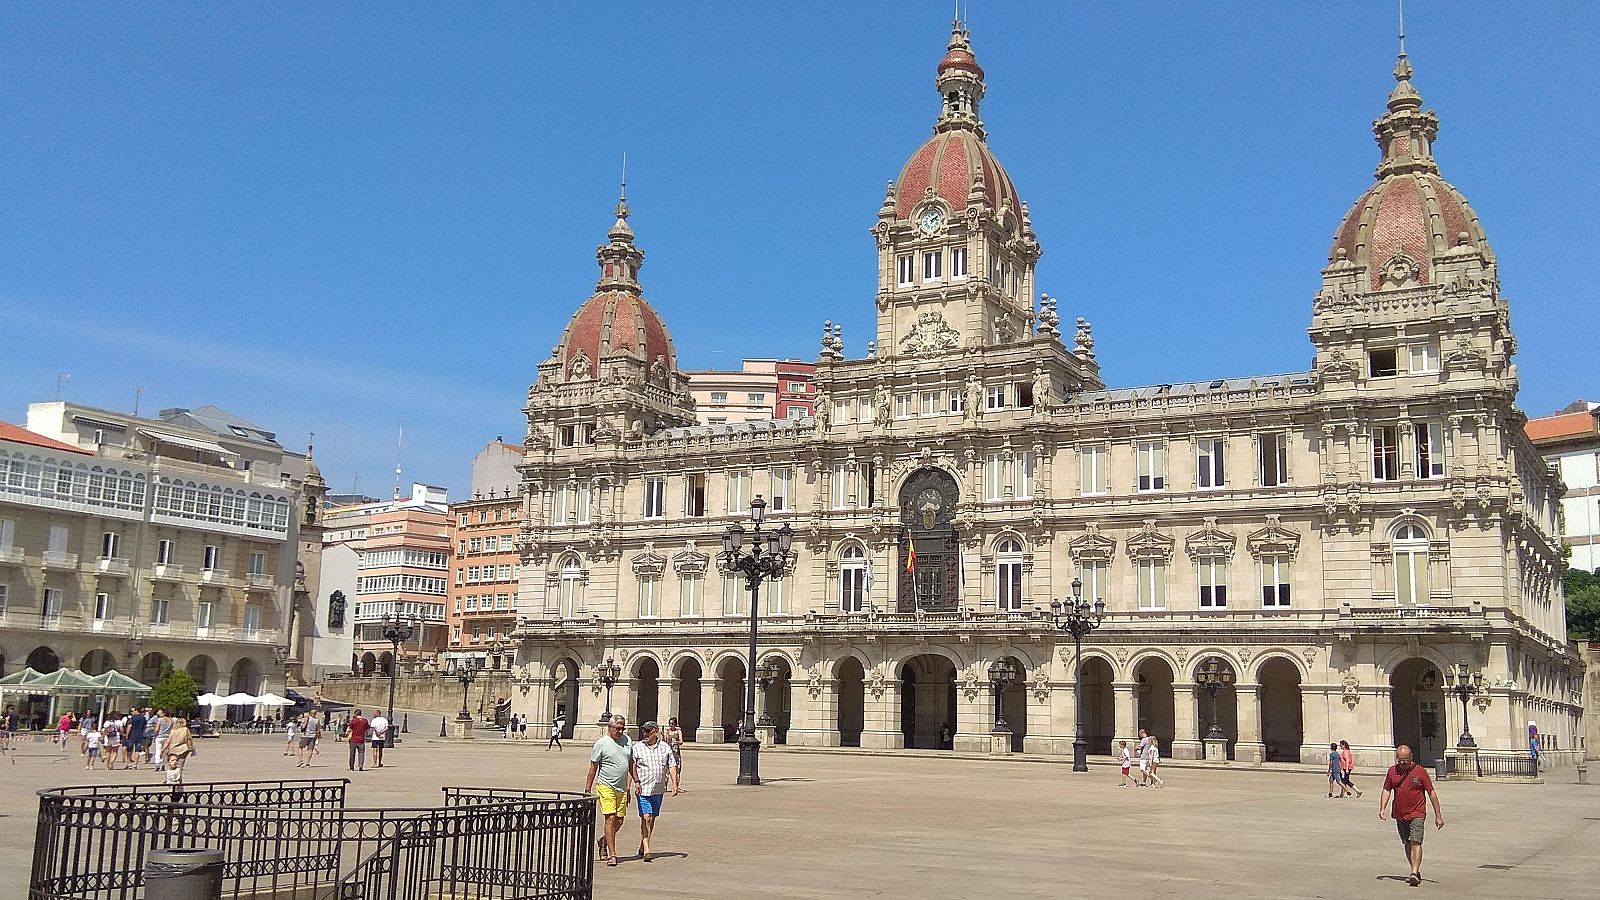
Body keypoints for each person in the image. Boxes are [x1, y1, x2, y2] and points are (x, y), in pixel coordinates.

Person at [1379, 744, 1445, 887]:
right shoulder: (1392, 771)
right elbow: (1386, 789)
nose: (1402, 763)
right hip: (1400, 814)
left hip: (1417, 812)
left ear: (1411, 757)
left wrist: (1438, 815)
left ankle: (1414, 872)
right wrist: (1382, 808)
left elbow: (1431, 793)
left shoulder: (1420, 772)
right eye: (1400, 760)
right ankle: (1414, 868)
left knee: (1416, 840)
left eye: (1405, 760)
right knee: (1407, 842)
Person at [583, 715, 635, 867]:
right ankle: (613, 854)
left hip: (622, 787)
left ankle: (603, 840)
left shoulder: (627, 741)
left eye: (622, 728)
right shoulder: (601, 744)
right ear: (610, 727)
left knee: (619, 820)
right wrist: (588, 788)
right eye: (617, 728)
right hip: (605, 786)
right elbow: (593, 767)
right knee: (610, 819)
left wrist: (635, 782)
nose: (620, 731)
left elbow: (631, 762)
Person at [630, 721, 680, 862]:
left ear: (655, 731)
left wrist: (674, 783)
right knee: (646, 817)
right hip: (643, 788)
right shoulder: (637, 747)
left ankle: (642, 844)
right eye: (643, 731)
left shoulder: (665, 747)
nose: (645, 734)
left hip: (658, 789)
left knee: (652, 818)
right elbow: (631, 767)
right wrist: (632, 785)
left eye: (648, 731)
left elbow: (672, 765)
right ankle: (647, 850)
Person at [664, 717, 685, 789]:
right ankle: (664, 786)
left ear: (675, 724)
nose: (670, 725)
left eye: (672, 723)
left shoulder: (678, 731)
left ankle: (676, 786)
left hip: (676, 751)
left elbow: (681, 741)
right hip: (668, 751)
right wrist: (665, 735)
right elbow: (665, 741)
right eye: (670, 723)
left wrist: (676, 742)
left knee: (677, 768)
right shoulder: (667, 731)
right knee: (666, 769)